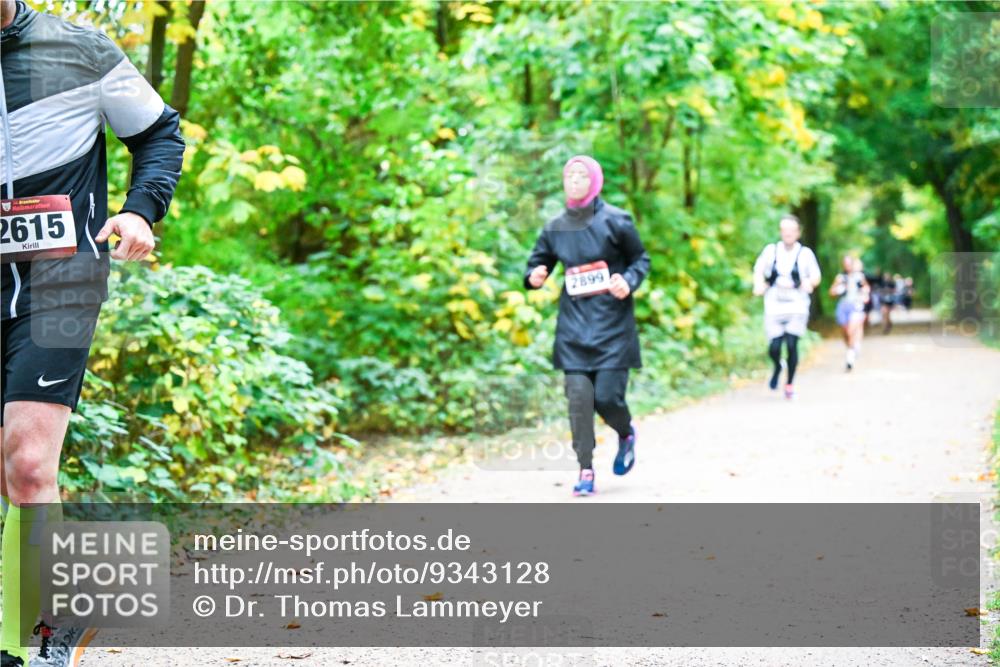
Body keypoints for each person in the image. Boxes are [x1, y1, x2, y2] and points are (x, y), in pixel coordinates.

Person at [0, 1, 185, 664]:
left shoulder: (78, 49)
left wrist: (139, 210)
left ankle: (30, 635)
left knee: (26, 461)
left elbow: (160, 132)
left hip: (62, 280)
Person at [524, 155, 650, 497]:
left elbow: (641, 259)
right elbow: (539, 261)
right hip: (573, 331)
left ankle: (625, 433)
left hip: (613, 329)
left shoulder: (617, 221)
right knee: (579, 401)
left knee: (607, 398)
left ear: (594, 182)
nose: (576, 180)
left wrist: (628, 279)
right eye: (570, 175)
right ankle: (585, 469)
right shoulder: (555, 227)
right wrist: (535, 275)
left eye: (583, 175)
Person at [751, 214, 821, 400]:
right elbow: (758, 270)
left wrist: (809, 283)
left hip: (797, 306)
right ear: (781, 232)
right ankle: (777, 366)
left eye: (791, 230)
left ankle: (789, 383)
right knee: (774, 347)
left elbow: (815, 276)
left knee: (791, 344)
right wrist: (758, 284)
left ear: (798, 232)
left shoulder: (805, 254)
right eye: (784, 230)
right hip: (774, 306)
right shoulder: (771, 251)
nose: (788, 233)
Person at [829, 256, 870, 371]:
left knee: (852, 330)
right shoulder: (840, 278)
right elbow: (831, 293)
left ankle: (850, 357)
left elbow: (866, 288)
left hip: (856, 306)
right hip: (843, 306)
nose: (847, 266)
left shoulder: (859, 277)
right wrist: (838, 290)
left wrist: (865, 295)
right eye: (845, 264)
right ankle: (851, 348)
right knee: (845, 332)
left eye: (849, 264)